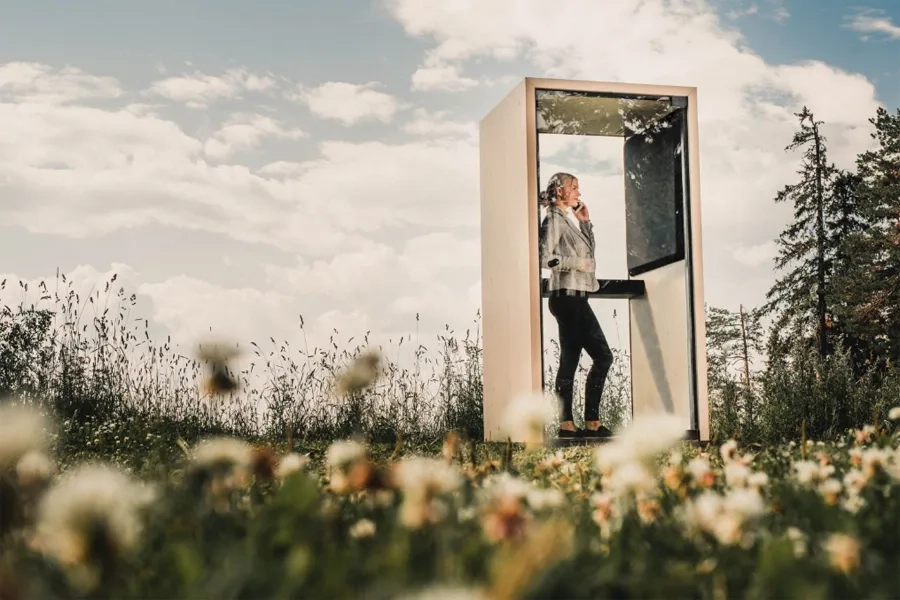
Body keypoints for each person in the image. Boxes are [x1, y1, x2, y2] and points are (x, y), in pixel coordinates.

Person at [538, 172, 614, 439]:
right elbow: (544, 259)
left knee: (569, 362)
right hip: (568, 298)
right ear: (560, 191)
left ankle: (567, 425)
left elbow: (589, 256)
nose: (578, 193)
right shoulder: (554, 220)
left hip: (574, 298)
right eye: (574, 188)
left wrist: (585, 223)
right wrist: (576, 264)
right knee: (604, 357)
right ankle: (592, 423)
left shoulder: (567, 221)